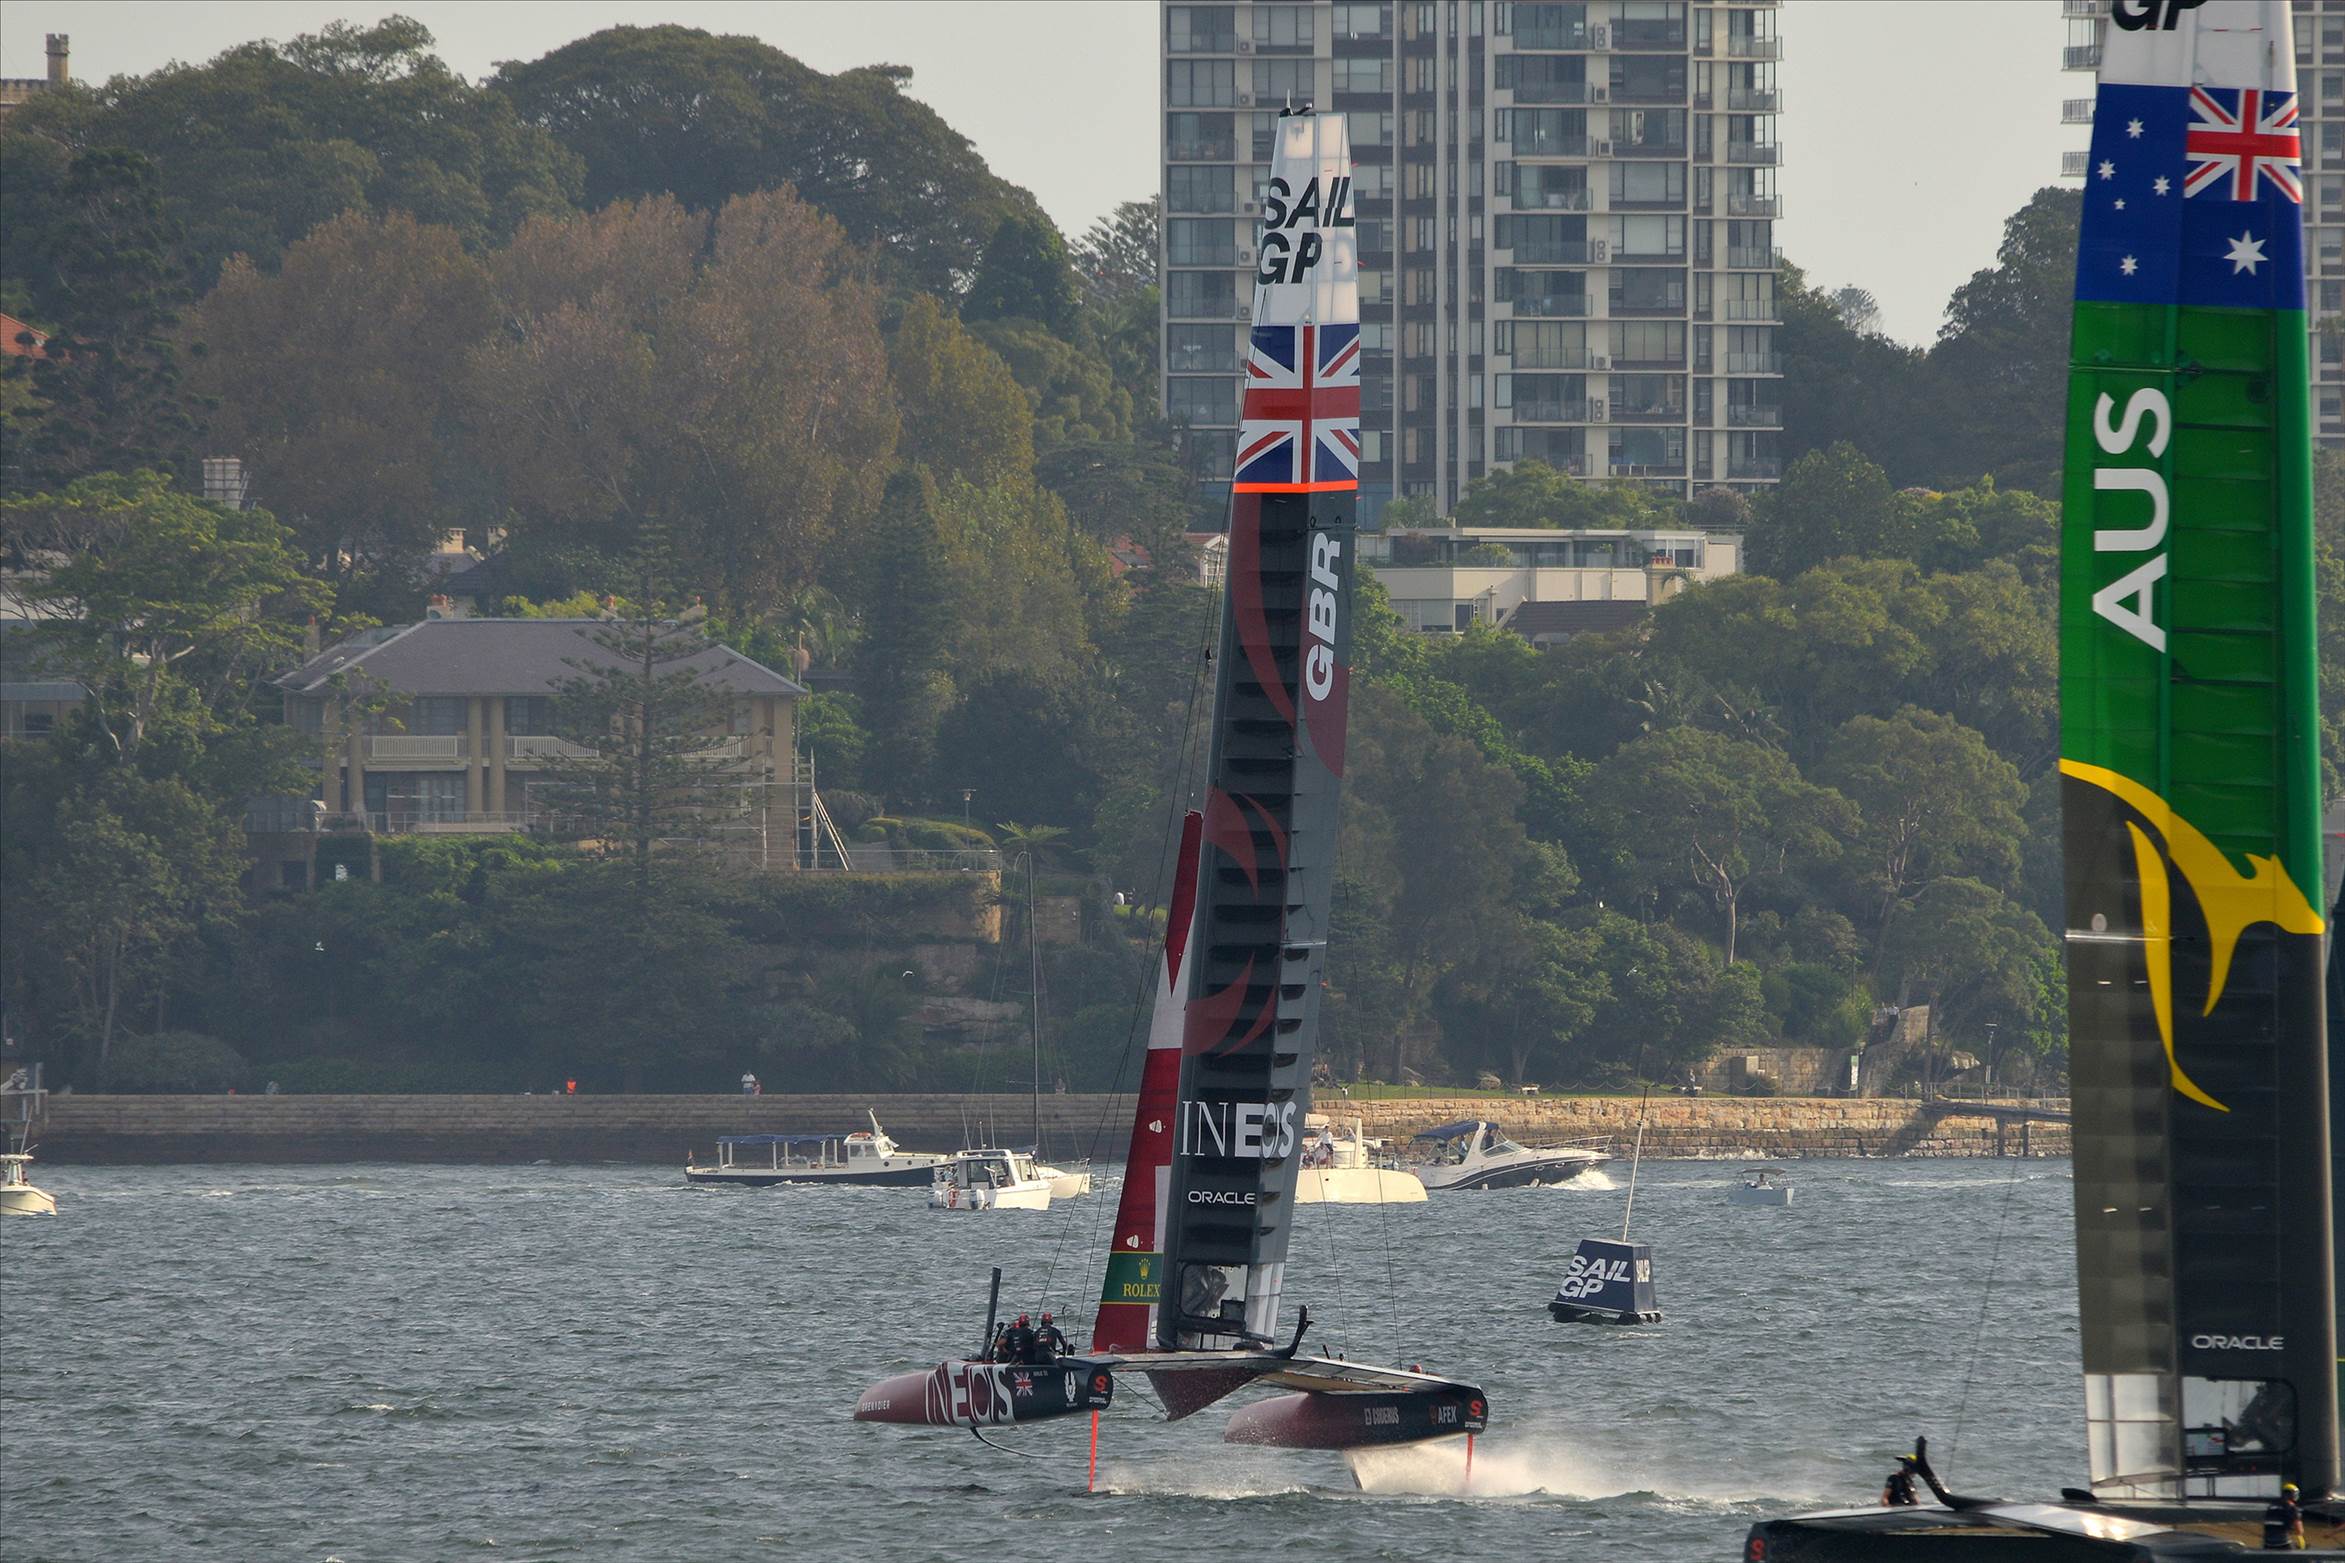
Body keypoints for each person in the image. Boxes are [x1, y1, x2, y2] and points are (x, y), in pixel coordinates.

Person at [2265, 1481, 2305, 1550]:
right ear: (2293, 1495)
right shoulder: (2292, 1507)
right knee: (2299, 1547)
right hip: (2283, 1544)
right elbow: (2299, 1531)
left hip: (2267, 1544)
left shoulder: (2271, 1506)